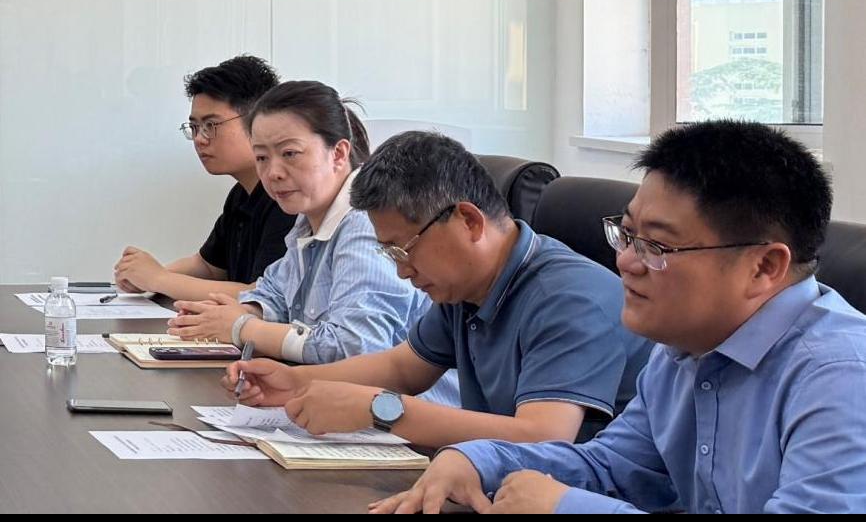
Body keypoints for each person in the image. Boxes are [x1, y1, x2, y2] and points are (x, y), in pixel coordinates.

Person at [371, 120, 866, 514]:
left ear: (764, 267)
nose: (625, 261)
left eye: (657, 246)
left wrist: (566, 507)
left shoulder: (840, 377)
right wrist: (476, 457)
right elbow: (611, 467)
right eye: (627, 235)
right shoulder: (682, 351)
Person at [221, 131, 652, 449]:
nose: (401, 270)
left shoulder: (568, 298)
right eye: (388, 253)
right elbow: (403, 368)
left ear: (469, 221)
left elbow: (542, 436)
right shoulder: (466, 287)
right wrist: (293, 382)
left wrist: (380, 410)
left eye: (404, 249)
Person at [167, 82, 457, 405]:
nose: (273, 173)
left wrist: (241, 327)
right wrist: (237, 313)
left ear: (339, 154)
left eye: (290, 154)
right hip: (337, 405)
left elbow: (357, 347)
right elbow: (273, 293)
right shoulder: (308, 220)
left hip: (403, 419)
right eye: (261, 157)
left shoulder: (364, 224)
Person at [114, 55, 296, 301]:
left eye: (211, 125)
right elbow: (208, 266)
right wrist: (144, 276)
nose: (200, 139)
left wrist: (159, 279)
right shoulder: (241, 194)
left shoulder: (287, 196)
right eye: (194, 127)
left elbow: (263, 295)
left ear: (259, 123)